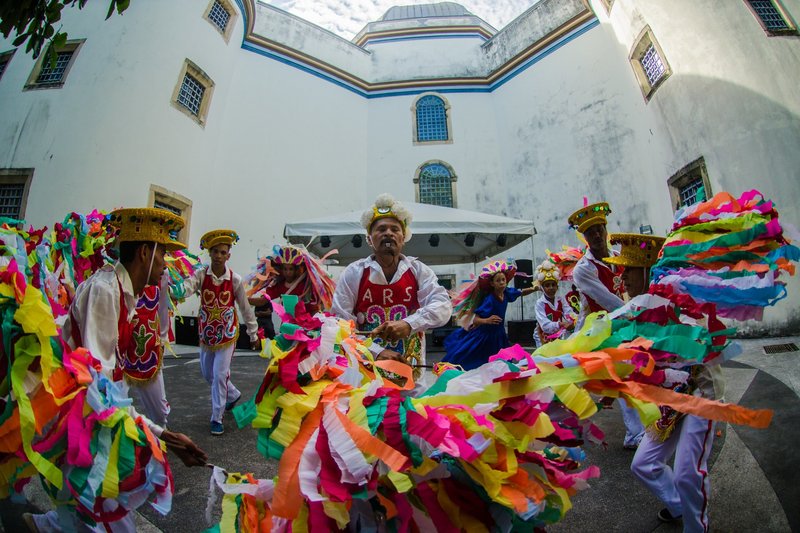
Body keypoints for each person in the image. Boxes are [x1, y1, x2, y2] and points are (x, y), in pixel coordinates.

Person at [30, 208, 207, 532]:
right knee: (110, 509)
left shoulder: (125, 293)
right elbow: (98, 391)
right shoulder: (105, 292)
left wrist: (163, 436)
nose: (166, 266)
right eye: (163, 256)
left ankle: (45, 525)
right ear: (145, 252)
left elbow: (111, 388)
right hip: (82, 419)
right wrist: (162, 435)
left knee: (94, 507)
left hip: (92, 416)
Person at [605, 233, 723, 533]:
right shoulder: (635, 308)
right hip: (669, 401)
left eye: (629, 270)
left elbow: (699, 347)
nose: (624, 278)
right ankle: (678, 505)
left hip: (699, 394)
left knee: (686, 472)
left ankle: (697, 527)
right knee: (643, 464)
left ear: (645, 270)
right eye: (622, 271)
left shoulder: (674, 300)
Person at [330, 194, 451, 386]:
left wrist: (409, 324)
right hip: (366, 376)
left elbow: (443, 307)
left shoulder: (418, 271)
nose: (388, 233)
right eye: (381, 229)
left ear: (403, 238)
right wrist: (376, 351)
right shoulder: (354, 273)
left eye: (395, 229)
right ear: (370, 239)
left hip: (412, 375)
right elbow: (339, 324)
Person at [568, 201, 644, 449]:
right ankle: (564, 425)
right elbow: (607, 300)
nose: (597, 235)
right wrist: (637, 313)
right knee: (573, 380)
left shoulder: (618, 258)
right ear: (586, 237)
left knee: (625, 376)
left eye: (600, 229)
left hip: (619, 328)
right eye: (591, 232)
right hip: (595, 333)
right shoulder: (583, 269)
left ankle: (635, 434)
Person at [180, 229, 259, 436]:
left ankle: (217, 417)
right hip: (206, 335)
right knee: (208, 374)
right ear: (210, 253)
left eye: (223, 252)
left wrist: (253, 333)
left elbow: (244, 307)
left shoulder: (234, 279)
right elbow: (186, 288)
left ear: (228, 255)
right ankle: (232, 394)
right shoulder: (200, 275)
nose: (218, 256)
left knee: (219, 374)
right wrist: (172, 288)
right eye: (215, 251)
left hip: (227, 335)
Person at [442, 260, 537, 370]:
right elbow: (476, 320)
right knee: (475, 360)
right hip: (485, 335)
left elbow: (521, 292)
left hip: (499, 335)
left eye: (503, 280)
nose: (501, 282)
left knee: (502, 364)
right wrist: (487, 320)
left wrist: (534, 289)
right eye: (498, 280)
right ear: (492, 284)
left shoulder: (507, 293)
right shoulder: (490, 300)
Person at [248, 244, 336, 317]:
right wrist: (243, 298)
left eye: (290, 269)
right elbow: (263, 300)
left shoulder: (306, 285)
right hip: (288, 324)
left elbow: (315, 308)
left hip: (307, 324)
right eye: (285, 269)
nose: (287, 272)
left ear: (296, 270)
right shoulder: (280, 285)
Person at [532, 260, 575, 347]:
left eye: (553, 285)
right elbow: (545, 325)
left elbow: (569, 313)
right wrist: (560, 324)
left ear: (557, 286)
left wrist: (574, 320)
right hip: (543, 338)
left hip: (558, 336)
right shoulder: (540, 303)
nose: (551, 288)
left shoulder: (560, 300)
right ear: (542, 288)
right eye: (547, 285)